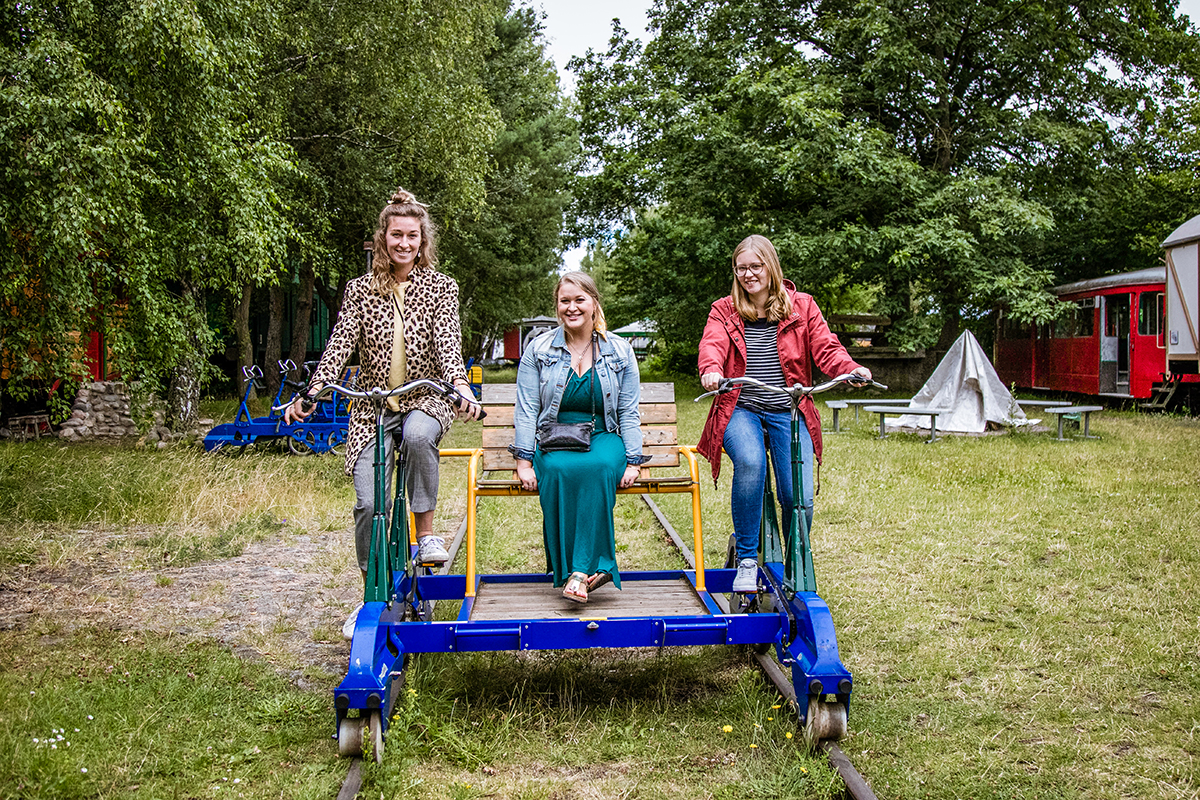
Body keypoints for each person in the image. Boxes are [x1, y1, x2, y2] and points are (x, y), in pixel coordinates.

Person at [285, 187, 481, 635]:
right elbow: (339, 346)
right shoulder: (360, 290)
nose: (404, 244)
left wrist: (459, 386)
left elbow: (448, 346)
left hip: (425, 397)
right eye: (396, 235)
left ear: (422, 239)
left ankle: (425, 533)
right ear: (382, 238)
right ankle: (371, 594)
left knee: (416, 434)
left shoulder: (441, 287)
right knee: (368, 503)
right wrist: (313, 390)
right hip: (372, 403)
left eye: (413, 236)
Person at [697, 235, 871, 594]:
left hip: (788, 410)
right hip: (740, 406)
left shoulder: (802, 307)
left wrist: (849, 368)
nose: (748, 274)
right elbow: (712, 344)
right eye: (741, 268)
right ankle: (747, 560)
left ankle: (795, 559)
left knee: (798, 498)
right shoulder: (724, 309)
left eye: (756, 266)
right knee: (750, 463)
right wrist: (711, 370)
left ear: (771, 266)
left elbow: (826, 348)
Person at [510, 272, 648, 604]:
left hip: (604, 434)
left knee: (599, 466)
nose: (572, 308)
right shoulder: (539, 349)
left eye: (579, 300)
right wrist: (523, 461)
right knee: (558, 471)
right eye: (565, 301)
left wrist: (633, 460)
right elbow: (527, 408)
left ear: (594, 303)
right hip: (555, 437)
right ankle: (591, 568)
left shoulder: (619, 350)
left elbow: (628, 411)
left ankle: (579, 572)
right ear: (557, 306)